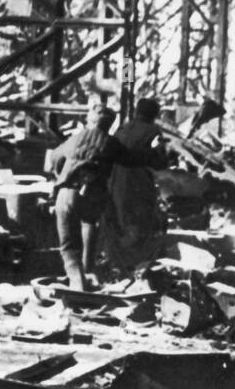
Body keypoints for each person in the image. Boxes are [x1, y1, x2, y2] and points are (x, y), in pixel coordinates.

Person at [47, 106, 126, 291]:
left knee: (68, 244)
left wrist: (61, 172)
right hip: (95, 196)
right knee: (89, 224)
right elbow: (132, 158)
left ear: (90, 121)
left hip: (70, 193)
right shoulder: (112, 142)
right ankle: (89, 273)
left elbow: (54, 157)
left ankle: (77, 281)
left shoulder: (76, 138)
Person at [105, 98, 171, 269]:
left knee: (120, 222)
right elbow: (159, 163)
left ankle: (117, 265)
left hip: (115, 181)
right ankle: (136, 267)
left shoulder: (123, 128)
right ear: (155, 114)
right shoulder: (153, 131)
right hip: (138, 182)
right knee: (140, 224)